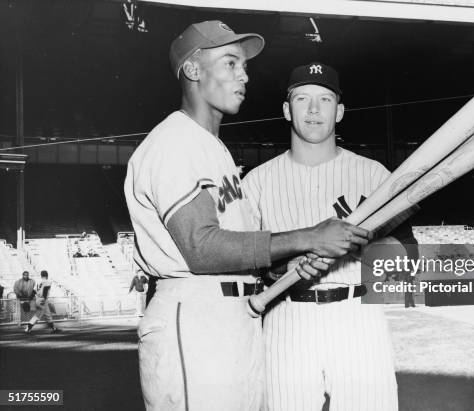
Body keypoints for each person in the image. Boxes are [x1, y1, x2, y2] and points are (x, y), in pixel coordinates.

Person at [123, 24, 369, 411]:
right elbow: (201, 248)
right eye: (231, 62)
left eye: (244, 66)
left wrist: (280, 266)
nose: (245, 74)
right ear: (193, 70)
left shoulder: (213, 149)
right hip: (196, 319)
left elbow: (238, 247)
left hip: (235, 316)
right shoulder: (174, 142)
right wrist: (308, 237)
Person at [243, 62, 416, 411]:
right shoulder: (256, 183)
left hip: (357, 317)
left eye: (324, 99)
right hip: (286, 318)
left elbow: (408, 254)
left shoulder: (373, 175)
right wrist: (279, 269)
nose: (313, 109)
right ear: (286, 110)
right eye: (302, 98)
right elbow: (242, 261)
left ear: (339, 111)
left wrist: (363, 245)